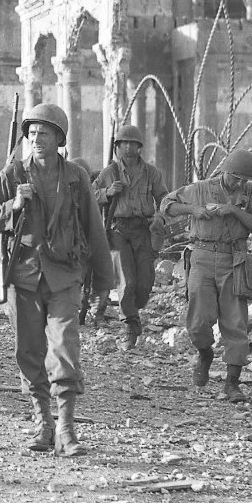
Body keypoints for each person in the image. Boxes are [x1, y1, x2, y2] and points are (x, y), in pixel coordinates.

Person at [0, 103, 113, 455]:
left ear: (59, 139)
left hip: (65, 275)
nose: (36, 139)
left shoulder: (76, 178)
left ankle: (66, 428)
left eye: (44, 133)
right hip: (24, 275)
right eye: (32, 133)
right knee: (29, 351)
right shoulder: (13, 173)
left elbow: (95, 229)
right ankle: (43, 422)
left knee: (65, 347)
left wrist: (103, 283)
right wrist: (12, 207)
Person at [160, 148, 252, 403]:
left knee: (235, 323)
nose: (239, 184)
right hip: (201, 255)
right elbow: (166, 205)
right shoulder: (200, 188)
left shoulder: (249, 192)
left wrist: (233, 211)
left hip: (234, 259)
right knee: (198, 320)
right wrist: (193, 210)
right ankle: (205, 353)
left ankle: (232, 383)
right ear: (225, 172)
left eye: (244, 180)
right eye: (236, 178)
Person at [92, 125, 169, 348]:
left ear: (139, 147)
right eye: (122, 144)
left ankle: (134, 310)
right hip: (118, 230)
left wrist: (160, 218)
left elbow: (165, 199)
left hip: (143, 229)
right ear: (116, 147)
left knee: (144, 282)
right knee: (126, 280)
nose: (127, 148)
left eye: (131, 143)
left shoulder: (151, 173)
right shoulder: (109, 173)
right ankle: (130, 324)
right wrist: (107, 193)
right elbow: (89, 194)